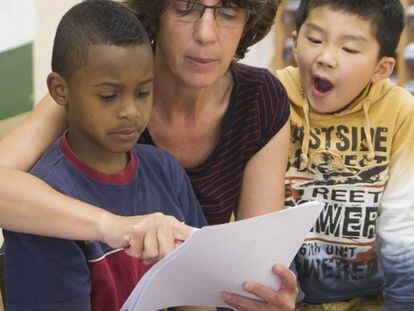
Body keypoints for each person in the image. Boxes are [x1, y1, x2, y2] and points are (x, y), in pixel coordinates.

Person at [0, 0, 298, 309]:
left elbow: (248, 274)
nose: (206, 34)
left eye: (227, 12)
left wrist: (265, 297)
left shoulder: (258, 101)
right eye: (186, 7)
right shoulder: (94, 82)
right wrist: (116, 227)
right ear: (157, 11)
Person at [3, 1, 207, 310]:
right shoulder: (46, 204)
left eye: (142, 93)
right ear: (60, 90)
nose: (130, 112)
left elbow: (197, 294)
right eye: (108, 96)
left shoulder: (165, 170)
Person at [276, 0, 414, 309]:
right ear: (295, 42)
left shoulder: (402, 113)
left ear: (382, 68)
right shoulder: (271, 94)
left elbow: (403, 227)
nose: (325, 58)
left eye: (349, 49)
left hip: (370, 300)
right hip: (282, 295)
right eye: (314, 40)